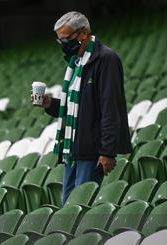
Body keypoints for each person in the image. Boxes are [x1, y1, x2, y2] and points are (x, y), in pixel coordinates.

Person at [33, 11, 132, 203]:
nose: (63, 44)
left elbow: (110, 108)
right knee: (68, 206)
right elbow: (75, 106)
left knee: (80, 207)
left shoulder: (106, 59)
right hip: (72, 149)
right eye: (59, 41)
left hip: (92, 150)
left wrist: (107, 151)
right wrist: (49, 104)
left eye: (67, 39)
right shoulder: (77, 63)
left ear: (84, 33)